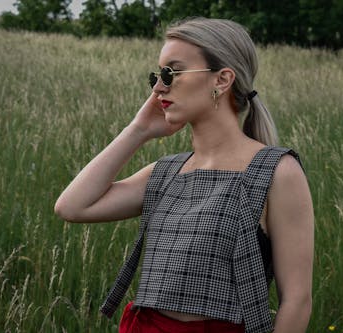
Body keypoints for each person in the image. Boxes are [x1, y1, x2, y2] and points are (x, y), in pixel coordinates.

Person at [54, 17, 314, 333]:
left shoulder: (276, 172)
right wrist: (138, 130)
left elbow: (297, 301)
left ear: (222, 80)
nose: (159, 86)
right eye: (157, 75)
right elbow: (72, 207)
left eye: (172, 73)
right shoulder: (165, 173)